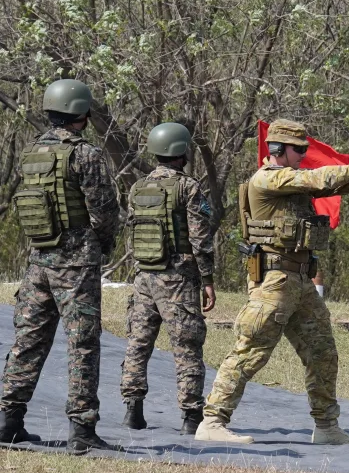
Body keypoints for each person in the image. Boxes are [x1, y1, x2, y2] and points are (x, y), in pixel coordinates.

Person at [195, 118, 349, 445]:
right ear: (277, 149)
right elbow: (319, 178)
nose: (303, 154)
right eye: (297, 149)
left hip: (299, 280)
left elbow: (330, 186)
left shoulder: (292, 181)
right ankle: (212, 421)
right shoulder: (268, 179)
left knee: (323, 354)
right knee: (250, 352)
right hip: (274, 280)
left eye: (304, 148)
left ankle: (327, 426)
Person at [0, 79, 121, 453]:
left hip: (39, 257)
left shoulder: (31, 151)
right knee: (82, 342)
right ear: (82, 114)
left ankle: (8, 420)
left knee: (28, 338)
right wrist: (101, 246)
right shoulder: (86, 154)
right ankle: (82, 430)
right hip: (75, 261)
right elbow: (104, 210)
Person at [120, 122, 216, 435]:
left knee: (138, 343)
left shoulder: (138, 187)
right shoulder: (188, 187)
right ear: (181, 151)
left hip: (144, 276)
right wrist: (208, 278)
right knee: (186, 346)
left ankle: (132, 410)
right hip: (177, 278)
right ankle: (191, 417)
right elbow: (200, 239)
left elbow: (132, 234)